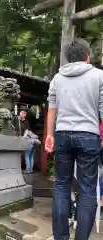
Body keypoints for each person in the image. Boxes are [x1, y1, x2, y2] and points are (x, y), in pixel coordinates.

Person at [45, 38, 103, 240]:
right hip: (89, 136)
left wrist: (49, 134)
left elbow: (52, 109)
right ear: (87, 56)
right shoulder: (99, 76)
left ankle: (60, 237)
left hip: (62, 134)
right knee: (87, 190)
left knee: (62, 185)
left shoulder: (57, 78)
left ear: (68, 58)